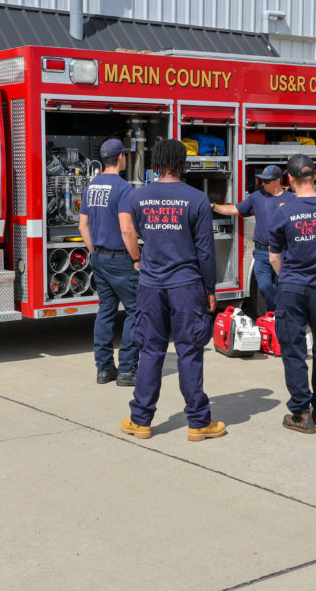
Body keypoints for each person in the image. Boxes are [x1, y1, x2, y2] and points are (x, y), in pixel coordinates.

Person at [120, 139, 226, 441]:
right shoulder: (197, 200)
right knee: (189, 352)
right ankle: (198, 423)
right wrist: (210, 289)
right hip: (186, 286)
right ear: (183, 164)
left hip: (151, 286)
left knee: (151, 351)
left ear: (157, 163)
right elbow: (205, 251)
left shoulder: (138, 198)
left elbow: (138, 231)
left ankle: (140, 421)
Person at [267, 155, 316, 433]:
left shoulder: (284, 212)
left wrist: (287, 278)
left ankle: (301, 413)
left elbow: (274, 258)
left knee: (294, 350)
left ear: (289, 179)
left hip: (293, 287)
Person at [79, 138, 141, 386]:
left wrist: (94, 251)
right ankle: (126, 370)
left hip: (100, 258)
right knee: (136, 311)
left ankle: (104, 369)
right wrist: (136, 258)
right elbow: (127, 230)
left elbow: (83, 225)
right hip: (121, 260)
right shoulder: (123, 188)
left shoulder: (91, 186)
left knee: (106, 311)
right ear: (120, 158)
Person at [212, 165, 287, 313]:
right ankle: (277, 312)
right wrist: (213, 206)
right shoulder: (257, 197)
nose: (263, 184)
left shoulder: (291, 199)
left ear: (278, 181)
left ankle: (278, 318)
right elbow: (235, 209)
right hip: (262, 252)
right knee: (265, 286)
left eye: (267, 181)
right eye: (261, 181)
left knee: (283, 288)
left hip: (284, 253)